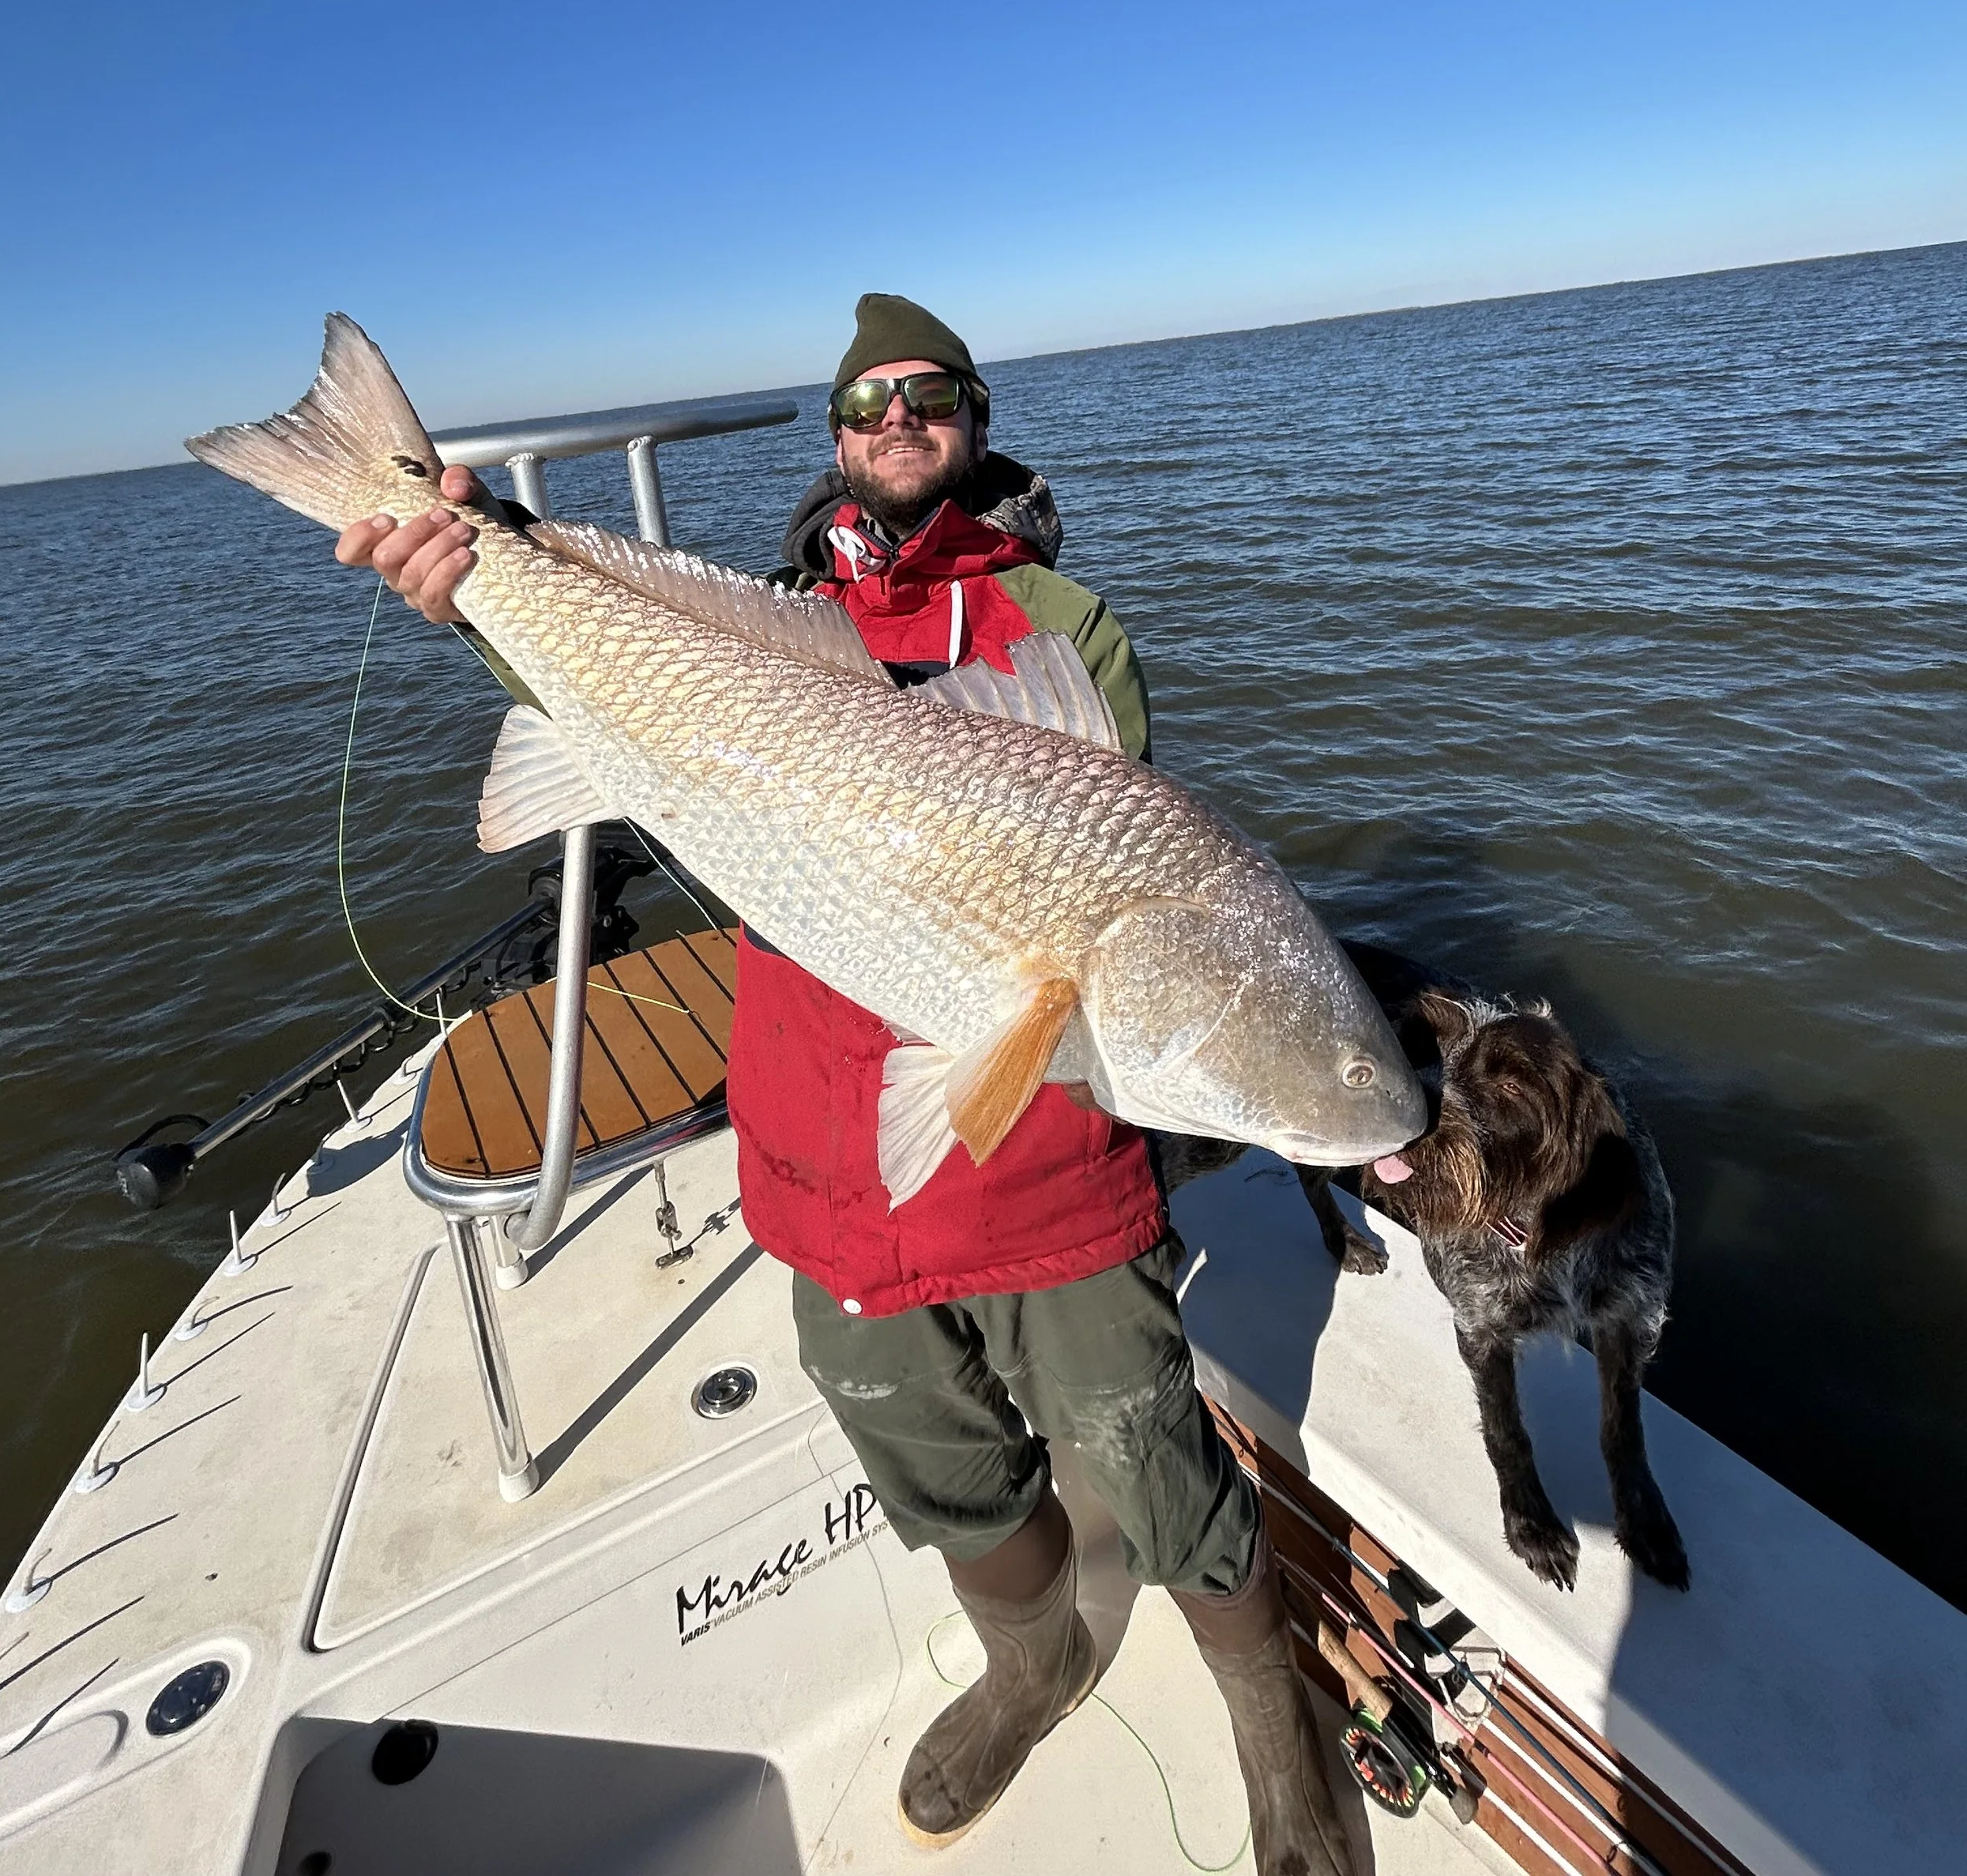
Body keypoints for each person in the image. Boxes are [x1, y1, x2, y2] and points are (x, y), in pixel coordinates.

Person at [336, 293, 1353, 1876]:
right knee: (928, 1463)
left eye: (929, 396)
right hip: (830, 1161)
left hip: (1042, 1162)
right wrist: (473, 586)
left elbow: (1133, 880)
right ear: (835, 436)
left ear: (974, 419)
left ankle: (1270, 1721)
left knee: (1151, 1455)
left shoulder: (1061, 627)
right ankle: (1030, 1667)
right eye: (868, 402)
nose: (898, 421)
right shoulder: (763, 615)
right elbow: (608, 674)